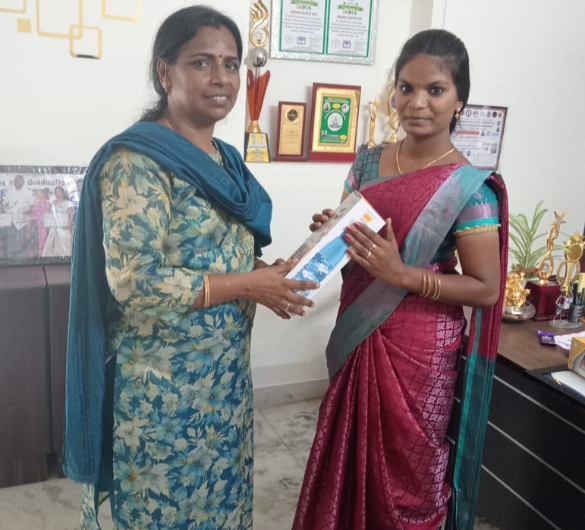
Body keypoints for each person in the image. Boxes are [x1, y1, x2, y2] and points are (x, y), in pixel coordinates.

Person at [63, 6, 317, 530]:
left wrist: (268, 276)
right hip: (162, 390)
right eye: (202, 62)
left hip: (223, 382)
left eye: (231, 64)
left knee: (220, 505)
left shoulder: (224, 158)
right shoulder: (139, 162)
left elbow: (221, 253)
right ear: (165, 72)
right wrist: (249, 283)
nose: (221, 78)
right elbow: (135, 281)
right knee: (166, 510)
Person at [292, 29, 508, 530]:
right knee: (349, 455)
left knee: (408, 476)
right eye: (406, 88)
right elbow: (356, 248)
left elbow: (486, 288)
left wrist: (403, 274)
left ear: (460, 100)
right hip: (358, 326)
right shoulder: (367, 162)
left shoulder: (470, 189)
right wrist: (335, 232)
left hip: (421, 348)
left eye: (436, 90)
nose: (417, 102)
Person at [4, 174, 34, 259]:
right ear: (14, 182)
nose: (17, 181)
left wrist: (26, 212)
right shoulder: (9, 191)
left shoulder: (28, 192)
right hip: (11, 219)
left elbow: (32, 206)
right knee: (11, 238)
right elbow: (5, 204)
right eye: (16, 180)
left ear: (23, 182)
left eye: (19, 180)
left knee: (22, 239)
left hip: (22, 220)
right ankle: (10, 257)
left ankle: (21, 258)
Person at [41, 186, 74, 257]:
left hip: (64, 226)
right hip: (54, 226)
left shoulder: (67, 203)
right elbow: (50, 215)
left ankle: (66, 257)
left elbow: (71, 214)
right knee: (52, 241)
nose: (57, 193)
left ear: (62, 193)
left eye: (59, 191)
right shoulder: (52, 203)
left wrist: (69, 224)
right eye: (56, 191)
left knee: (65, 242)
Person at [29, 187, 51, 257]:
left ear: (43, 194)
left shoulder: (47, 203)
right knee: (35, 241)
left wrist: (33, 217)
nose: (38, 195)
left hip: (44, 225)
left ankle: (42, 255)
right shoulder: (36, 204)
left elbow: (45, 214)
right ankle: (38, 255)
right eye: (37, 194)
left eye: (40, 193)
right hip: (35, 225)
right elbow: (33, 214)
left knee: (43, 239)